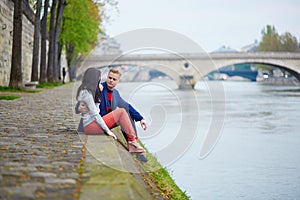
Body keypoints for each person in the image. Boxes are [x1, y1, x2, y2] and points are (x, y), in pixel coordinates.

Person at [76, 67, 146, 154]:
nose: (111, 80)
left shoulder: (116, 94)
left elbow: (127, 106)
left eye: (114, 79)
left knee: (126, 112)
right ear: (107, 77)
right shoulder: (98, 87)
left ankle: (134, 142)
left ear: (118, 81)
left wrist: (141, 118)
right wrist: (79, 107)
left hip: (102, 123)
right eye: (109, 78)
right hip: (94, 123)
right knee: (121, 112)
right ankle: (132, 143)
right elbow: (82, 102)